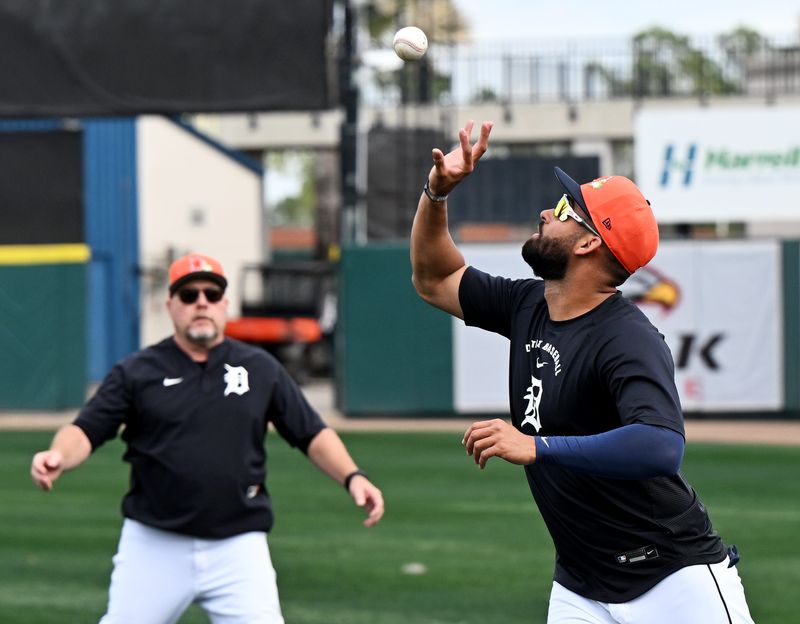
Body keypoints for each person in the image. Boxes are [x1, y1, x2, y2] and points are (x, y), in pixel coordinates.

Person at [410, 121, 754, 624]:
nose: (547, 212)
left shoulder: (627, 338)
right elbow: (434, 278)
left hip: (671, 579)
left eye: (567, 211)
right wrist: (436, 194)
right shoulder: (528, 304)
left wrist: (537, 446)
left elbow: (661, 445)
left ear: (590, 244)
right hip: (580, 585)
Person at [31, 252, 384, 624]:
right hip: (154, 542)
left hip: (238, 543)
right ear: (170, 305)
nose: (201, 302)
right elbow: (86, 429)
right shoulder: (137, 371)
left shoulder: (260, 368)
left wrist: (352, 476)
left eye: (212, 295)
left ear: (224, 305)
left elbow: (310, 432)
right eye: (188, 295)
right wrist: (57, 456)